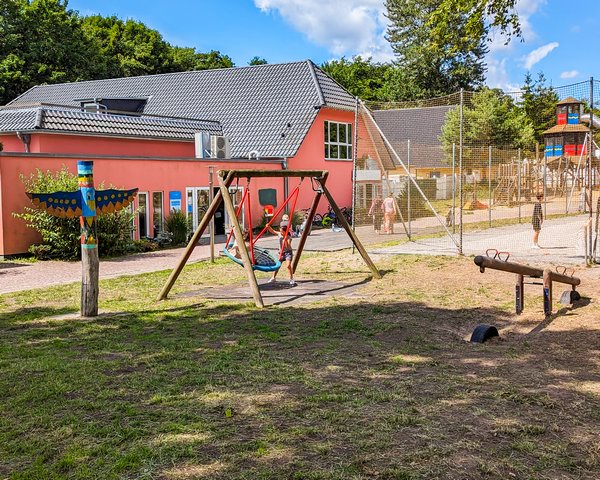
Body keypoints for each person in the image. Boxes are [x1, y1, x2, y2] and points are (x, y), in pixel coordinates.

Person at [267, 214, 296, 285]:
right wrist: (268, 227)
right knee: (277, 265)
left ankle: (291, 279)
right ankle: (273, 277)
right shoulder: (280, 234)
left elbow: (288, 246)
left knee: (288, 265)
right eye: (280, 229)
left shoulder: (289, 237)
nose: (280, 230)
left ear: (285, 231)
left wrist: (285, 239)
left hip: (288, 252)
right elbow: (273, 231)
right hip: (281, 252)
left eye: (281, 230)